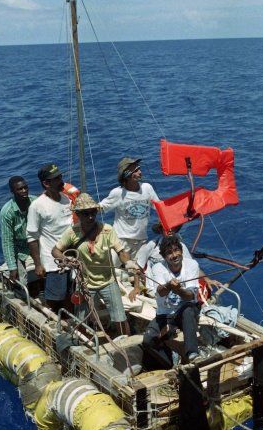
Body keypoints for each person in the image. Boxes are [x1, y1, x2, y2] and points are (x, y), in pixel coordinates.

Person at [52, 193, 140, 337]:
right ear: (78, 214)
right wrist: (66, 260)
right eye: (86, 213)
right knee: (81, 320)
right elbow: (55, 250)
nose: (91, 217)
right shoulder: (72, 232)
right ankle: (81, 345)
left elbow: (121, 251)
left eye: (93, 212)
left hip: (108, 281)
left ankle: (127, 346)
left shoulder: (107, 230)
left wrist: (128, 262)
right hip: (84, 283)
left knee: (120, 318)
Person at [141, 235, 202, 369]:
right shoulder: (157, 268)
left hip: (186, 310)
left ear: (181, 250)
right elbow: (160, 291)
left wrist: (178, 289)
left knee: (188, 309)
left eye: (176, 250)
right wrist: (169, 286)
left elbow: (190, 296)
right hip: (166, 313)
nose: (174, 255)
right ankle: (169, 363)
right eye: (169, 253)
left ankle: (192, 352)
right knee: (148, 340)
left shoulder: (192, 265)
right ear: (163, 257)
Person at [27, 163, 74, 313]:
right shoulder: (37, 206)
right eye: (56, 179)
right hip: (53, 261)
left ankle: (72, 322)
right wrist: (38, 265)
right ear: (46, 183)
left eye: (60, 177)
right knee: (55, 297)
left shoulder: (67, 199)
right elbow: (32, 237)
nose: (62, 181)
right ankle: (53, 322)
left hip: (72, 257)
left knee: (72, 294)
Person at [100, 157, 160, 259]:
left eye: (139, 169)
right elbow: (100, 208)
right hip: (121, 241)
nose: (140, 172)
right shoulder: (118, 193)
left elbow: (159, 208)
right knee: (113, 270)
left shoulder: (147, 188)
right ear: (126, 175)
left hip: (141, 241)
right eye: (135, 171)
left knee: (139, 272)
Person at [0, 176, 42, 296]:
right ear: (12, 192)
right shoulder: (7, 212)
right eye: (20, 189)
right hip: (21, 250)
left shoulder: (35, 202)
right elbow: (7, 242)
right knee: (22, 282)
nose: (24, 191)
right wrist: (12, 267)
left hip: (39, 244)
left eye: (25, 187)